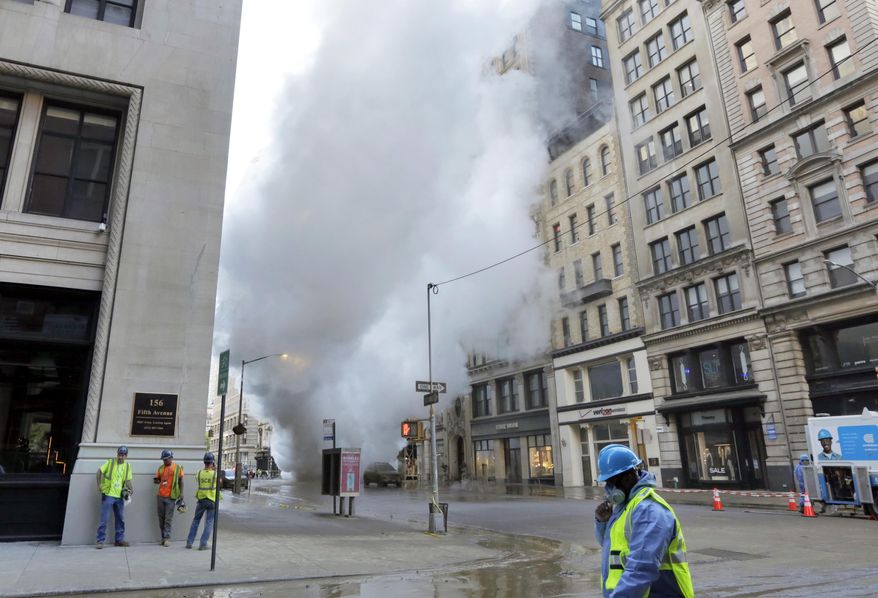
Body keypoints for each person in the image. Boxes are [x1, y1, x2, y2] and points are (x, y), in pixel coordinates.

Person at [594, 445, 693, 598]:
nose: (608, 489)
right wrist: (602, 523)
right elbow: (610, 544)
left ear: (627, 478)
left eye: (610, 483)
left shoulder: (648, 510)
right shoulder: (626, 505)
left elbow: (641, 569)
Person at [95, 445, 133, 549]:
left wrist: (132, 489)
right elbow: (99, 472)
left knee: (120, 519)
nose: (121, 457)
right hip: (108, 495)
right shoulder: (110, 463)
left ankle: (119, 540)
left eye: (123, 455)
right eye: (120, 454)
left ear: (126, 456)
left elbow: (128, 480)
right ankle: (100, 541)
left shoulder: (128, 466)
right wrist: (99, 485)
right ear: (117, 454)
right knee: (104, 519)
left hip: (119, 497)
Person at [187, 452, 220, 550]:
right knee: (209, 522)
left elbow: (197, 479)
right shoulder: (215, 474)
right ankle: (203, 544)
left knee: (196, 520)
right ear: (212, 462)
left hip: (201, 500)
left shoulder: (199, 473)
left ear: (204, 462)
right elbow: (220, 483)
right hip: (212, 501)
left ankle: (189, 542)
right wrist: (215, 470)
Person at [154, 449, 184, 546]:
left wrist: (181, 493)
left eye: (166, 459)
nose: (164, 461)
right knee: (161, 518)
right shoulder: (161, 468)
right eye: (163, 459)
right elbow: (158, 479)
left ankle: (167, 538)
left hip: (171, 497)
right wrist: (156, 481)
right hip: (160, 496)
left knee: (168, 519)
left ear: (171, 458)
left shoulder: (177, 468)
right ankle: (163, 537)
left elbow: (181, 481)